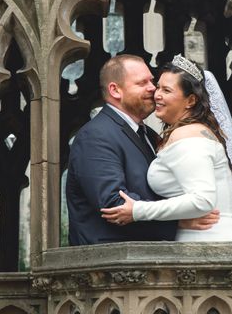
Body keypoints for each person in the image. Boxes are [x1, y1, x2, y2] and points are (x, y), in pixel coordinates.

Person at [101, 55, 232, 242]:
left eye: (166, 90)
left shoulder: (188, 134)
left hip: (208, 243)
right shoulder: (188, 132)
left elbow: (202, 200)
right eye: (158, 86)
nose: (156, 94)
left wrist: (138, 210)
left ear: (191, 101)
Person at [66, 54, 219, 245]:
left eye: (152, 81)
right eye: (142, 83)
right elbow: (114, 204)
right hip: (111, 263)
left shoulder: (148, 134)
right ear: (115, 90)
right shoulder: (96, 136)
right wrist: (180, 222)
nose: (153, 89)